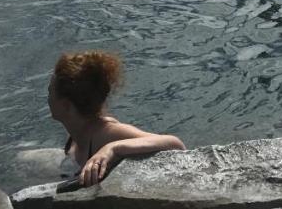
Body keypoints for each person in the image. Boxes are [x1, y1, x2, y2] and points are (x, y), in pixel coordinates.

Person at [48, 50, 184, 186]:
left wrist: (113, 148)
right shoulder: (76, 135)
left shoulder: (105, 133)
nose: (48, 99)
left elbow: (175, 144)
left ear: (66, 105)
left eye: (50, 92)